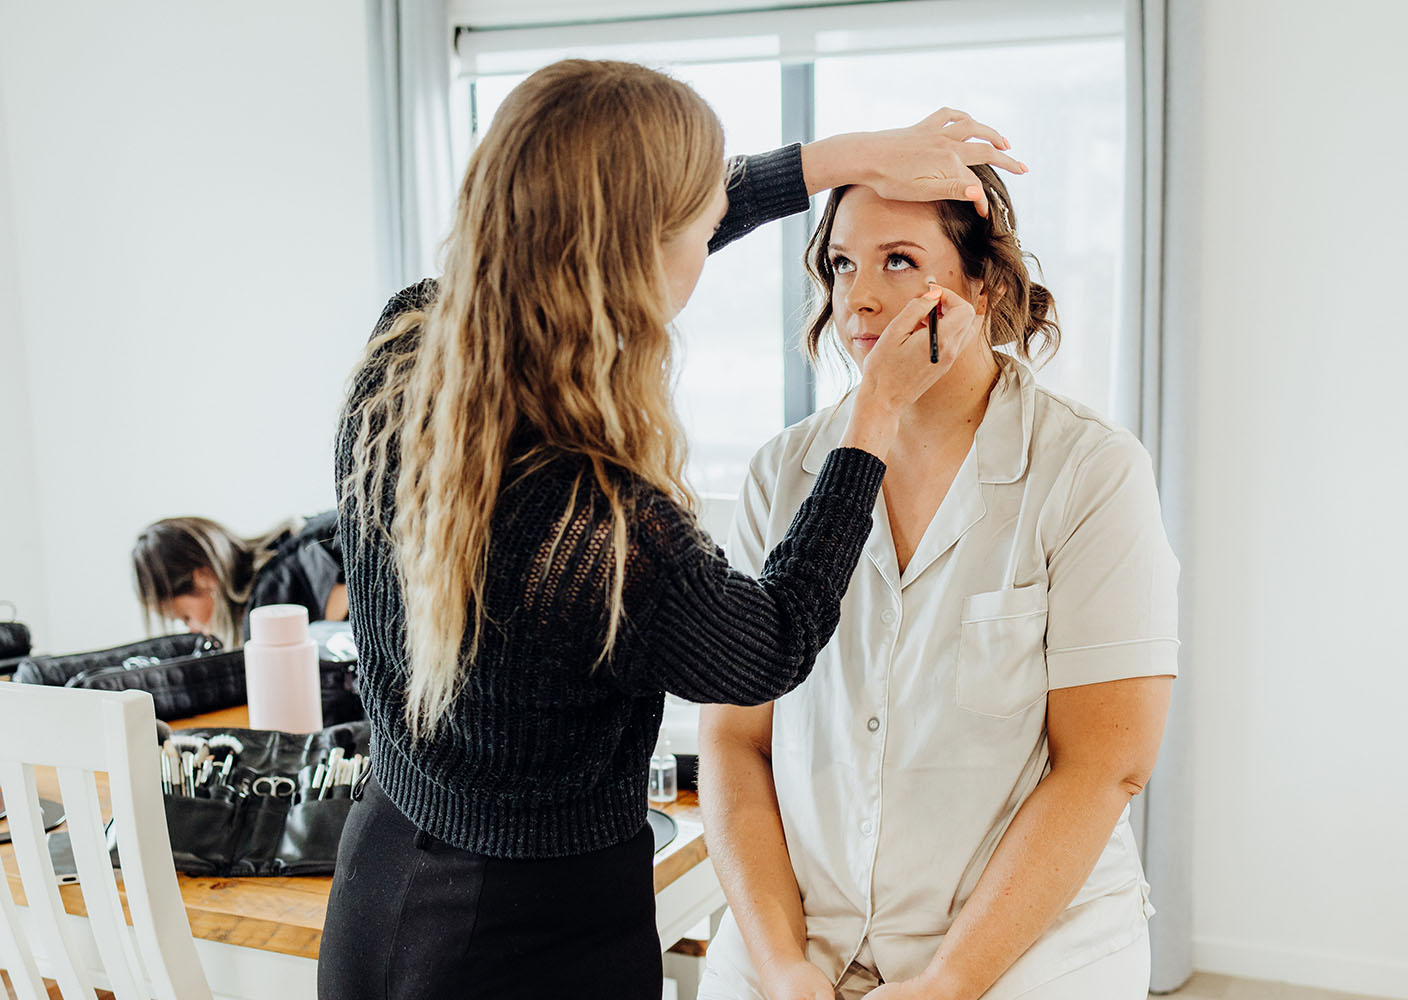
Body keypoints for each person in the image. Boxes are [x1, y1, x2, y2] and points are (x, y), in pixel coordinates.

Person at [318, 58, 1023, 1000]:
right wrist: (874, 424)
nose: (714, 227)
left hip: (380, 878)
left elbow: (627, 218)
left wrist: (850, 157)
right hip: (526, 938)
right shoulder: (598, 525)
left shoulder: (405, 347)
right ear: (636, 251)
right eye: (698, 221)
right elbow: (762, 649)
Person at [696, 166, 1179, 1000]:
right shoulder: (782, 474)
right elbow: (737, 740)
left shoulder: (1090, 472)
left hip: (1028, 948)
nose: (861, 299)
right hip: (803, 938)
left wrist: (949, 982)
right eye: (843, 265)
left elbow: (1107, 764)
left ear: (983, 283)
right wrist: (779, 964)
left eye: (898, 262)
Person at [132, 511, 347, 645]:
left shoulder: (282, 591)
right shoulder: (291, 551)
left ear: (204, 576)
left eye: (186, 617)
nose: (193, 629)